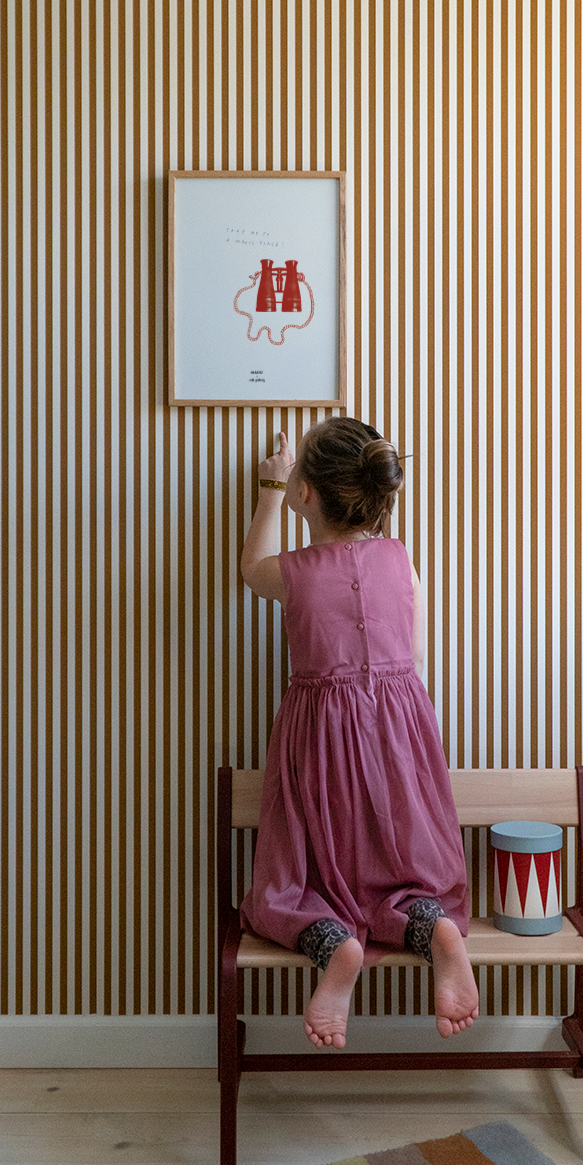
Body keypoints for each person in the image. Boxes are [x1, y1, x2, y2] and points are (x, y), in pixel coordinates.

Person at [239, 418, 480, 1049]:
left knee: (295, 885)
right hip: (402, 739)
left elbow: (250, 569)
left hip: (321, 743)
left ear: (306, 491)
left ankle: (336, 945)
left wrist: (268, 491)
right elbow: (415, 659)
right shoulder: (401, 560)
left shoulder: (293, 571)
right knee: (404, 877)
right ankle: (434, 929)